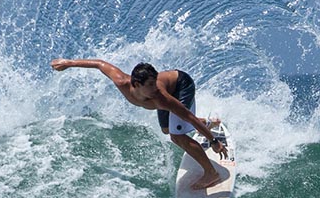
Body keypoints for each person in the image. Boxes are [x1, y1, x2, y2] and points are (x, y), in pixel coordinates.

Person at [49, 58, 228, 190]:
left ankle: (211, 173)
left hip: (182, 85)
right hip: (170, 89)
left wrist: (213, 141)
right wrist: (68, 63)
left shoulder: (162, 98)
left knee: (177, 136)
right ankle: (210, 122)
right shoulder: (122, 82)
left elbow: (189, 117)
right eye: (150, 84)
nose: (155, 87)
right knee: (167, 129)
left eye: (155, 82)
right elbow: (99, 64)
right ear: (136, 84)